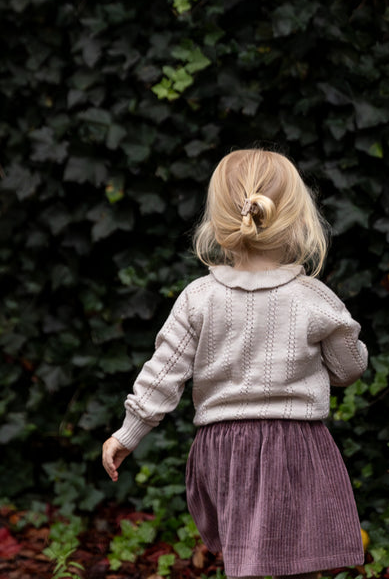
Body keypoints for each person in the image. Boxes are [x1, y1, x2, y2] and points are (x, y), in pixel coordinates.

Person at [102, 149, 368, 579]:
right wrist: (344, 332)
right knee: (298, 563)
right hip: (294, 446)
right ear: (298, 217)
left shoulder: (199, 297)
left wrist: (127, 434)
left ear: (221, 218)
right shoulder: (314, 299)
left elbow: (162, 374)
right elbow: (349, 369)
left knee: (245, 559)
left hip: (223, 449)